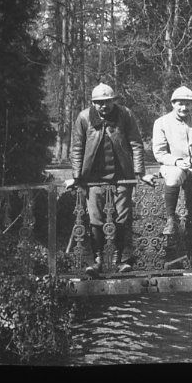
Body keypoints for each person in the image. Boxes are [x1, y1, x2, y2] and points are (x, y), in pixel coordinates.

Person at [69, 83, 147, 276]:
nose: (104, 106)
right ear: (93, 103)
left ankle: (118, 259)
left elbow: (136, 143)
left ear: (114, 101)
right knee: (95, 217)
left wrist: (139, 172)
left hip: (121, 176)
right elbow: (77, 147)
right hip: (93, 178)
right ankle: (97, 260)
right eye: (99, 103)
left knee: (121, 216)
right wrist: (77, 176)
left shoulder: (125, 115)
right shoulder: (84, 118)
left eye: (108, 102)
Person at [152, 86, 192, 271]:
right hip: (173, 167)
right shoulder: (162, 122)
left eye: (188, 104)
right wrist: (177, 161)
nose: (184, 108)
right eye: (180, 104)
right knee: (174, 175)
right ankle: (171, 219)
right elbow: (159, 152)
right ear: (173, 104)